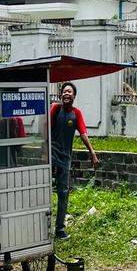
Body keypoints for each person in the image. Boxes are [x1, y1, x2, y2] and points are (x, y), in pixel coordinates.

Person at [50, 82, 99, 240]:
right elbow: (45, 128)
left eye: (69, 91)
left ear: (74, 96)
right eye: (64, 91)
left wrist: (92, 153)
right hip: (50, 157)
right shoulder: (55, 109)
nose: (66, 94)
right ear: (60, 95)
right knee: (44, 191)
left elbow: (84, 133)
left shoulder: (76, 114)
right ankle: (43, 226)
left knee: (63, 193)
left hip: (65, 160)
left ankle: (59, 229)